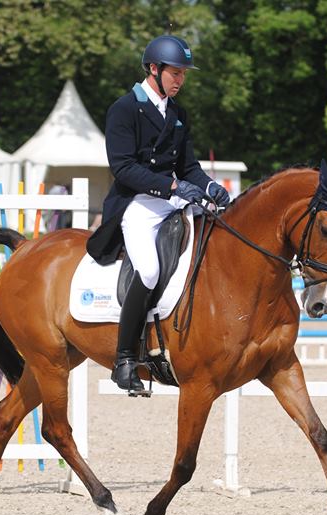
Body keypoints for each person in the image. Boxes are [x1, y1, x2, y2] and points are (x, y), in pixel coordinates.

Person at [86, 34, 230, 395]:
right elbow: (123, 168)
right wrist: (172, 188)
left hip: (170, 202)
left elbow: (189, 166)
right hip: (136, 204)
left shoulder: (178, 113)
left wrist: (209, 187)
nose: (180, 80)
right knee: (149, 269)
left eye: (184, 74)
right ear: (154, 68)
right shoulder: (124, 109)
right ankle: (123, 360)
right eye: (175, 72)